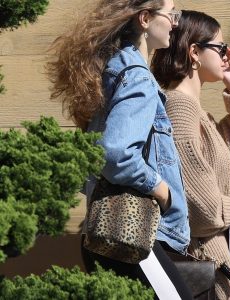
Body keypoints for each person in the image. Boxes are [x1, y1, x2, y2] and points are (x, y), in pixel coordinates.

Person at [47, 1, 193, 299]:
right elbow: (115, 154)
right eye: (172, 14)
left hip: (104, 233)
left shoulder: (111, 69)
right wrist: (162, 190)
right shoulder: (136, 76)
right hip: (133, 236)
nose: (176, 23)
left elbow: (93, 158)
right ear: (144, 19)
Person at [152, 10, 230, 300]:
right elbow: (201, 211)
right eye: (220, 47)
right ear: (194, 52)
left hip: (215, 260)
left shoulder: (198, 114)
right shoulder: (179, 110)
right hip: (202, 260)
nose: (228, 55)